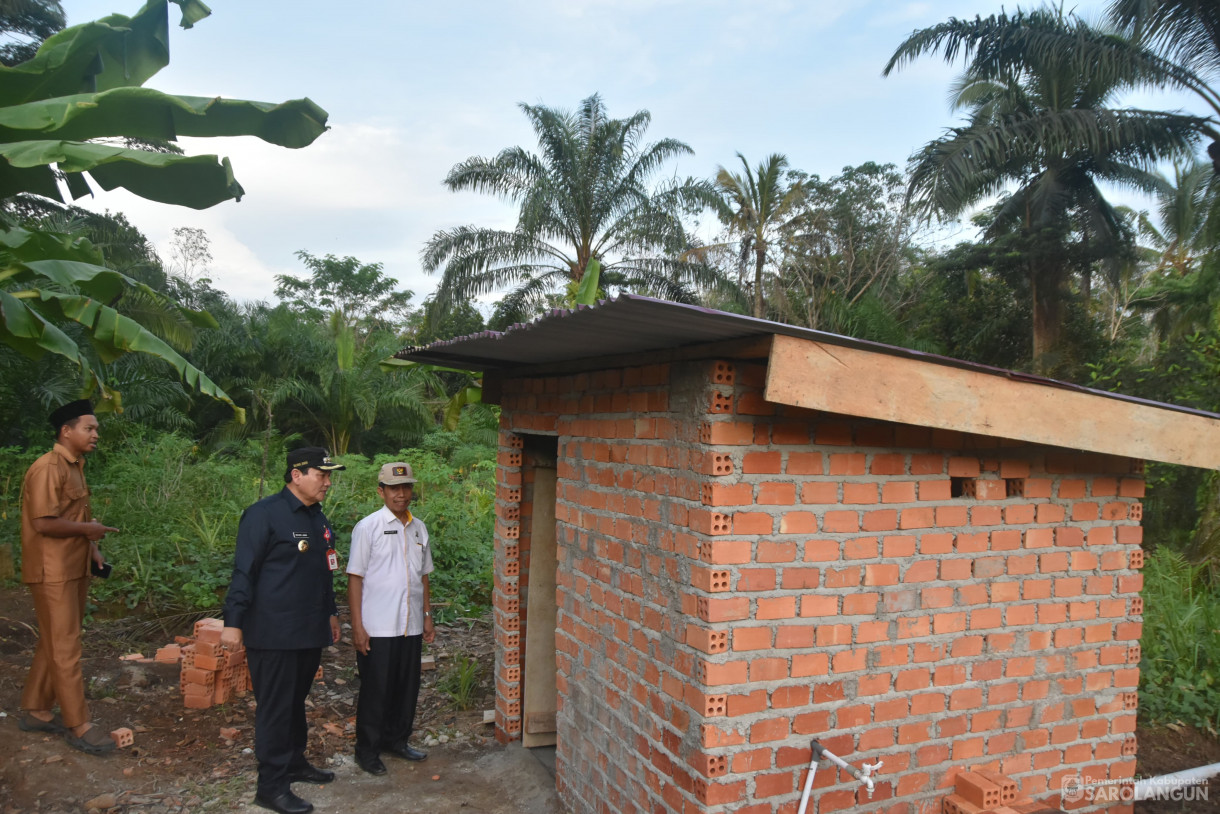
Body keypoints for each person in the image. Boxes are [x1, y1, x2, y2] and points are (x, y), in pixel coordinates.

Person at [221, 447, 345, 814]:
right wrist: (233, 623)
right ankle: (271, 786)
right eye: (321, 475)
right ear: (296, 475)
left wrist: (332, 613)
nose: (327, 482)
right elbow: (244, 571)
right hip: (273, 633)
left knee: (294, 703)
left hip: (308, 630)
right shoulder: (264, 515)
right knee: (275, 708)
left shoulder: (318, 518)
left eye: (329, 475)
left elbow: (325, 570)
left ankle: (294, 763)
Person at [19, 399, 120, 755]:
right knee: (66, 647)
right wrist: (88, 528)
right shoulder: (47, 468)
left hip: (73, 567)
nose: (95, 434)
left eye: (95, 429)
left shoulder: (75, 465)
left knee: (57, 640)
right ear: (66, 431)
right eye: (89, 428)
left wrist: (92, 548)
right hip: (52, 571)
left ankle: (35, 710)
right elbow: (43, 522)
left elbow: (74, 519)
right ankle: (79, 725)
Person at [347, 461, 435, 776]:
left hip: (410, 625)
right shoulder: (367, 527)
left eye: (406, 487)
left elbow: (423, 577)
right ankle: (367, 751)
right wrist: (357, 626)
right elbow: (355, 578)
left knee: (405, 687)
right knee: (376, 690)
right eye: (394, 488)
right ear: (381, 491)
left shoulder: (419, 528)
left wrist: (427, 616)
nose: (402, 494)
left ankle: (397, 741)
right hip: (378, 626)